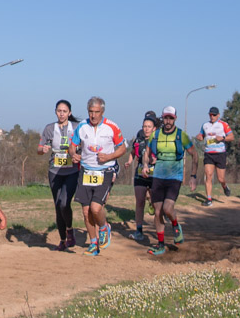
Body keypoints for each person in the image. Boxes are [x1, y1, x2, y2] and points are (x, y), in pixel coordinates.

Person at [68, 96, 125, 257]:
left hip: (105, 171)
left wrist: (109, 157)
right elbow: (72, 146)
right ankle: (93, 243)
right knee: (86, 211)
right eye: (90, 112)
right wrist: (73, 154)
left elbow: (122, 148)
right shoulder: (82, 126)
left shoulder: (111, 127)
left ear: (102, 112)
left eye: (97, 112)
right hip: (86, 171)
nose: (93, 115)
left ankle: (104, 227)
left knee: (95, 208)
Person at [148, 106, 193, 256]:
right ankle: (160, 244)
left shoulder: (181, 135)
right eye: (166, 118)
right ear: (162, 118)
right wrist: (146, 164)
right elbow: (147, 152)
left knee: (167, 209)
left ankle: (175, 225)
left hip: (174, 177)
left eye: (171, 118)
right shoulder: (155, 135)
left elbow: (195, 154)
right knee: (157, 212)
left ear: (175, 119)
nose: (168, 121)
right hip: (158, 176)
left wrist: (193, 176)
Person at [37, 100, 80, 250]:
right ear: (55, 112)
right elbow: (39, 148)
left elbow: (84, 145)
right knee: (57, 205)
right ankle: (62, 240)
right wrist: (43, 150)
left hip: (72, 171)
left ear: (69, 113)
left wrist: (79, 154)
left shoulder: (76, 128)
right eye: (59, 111)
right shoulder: (49, 128)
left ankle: (70, 230)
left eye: (64, 111)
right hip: (54, 171)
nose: (61, 114)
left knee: (64, 203)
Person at [125, 111, 158, 242]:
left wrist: (157, 160)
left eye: (149, 127)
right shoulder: (139, 139)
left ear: (154, 128)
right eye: (144, 126)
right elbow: (133, 152)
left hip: (155, 176)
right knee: (139, 202)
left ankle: (159, 233)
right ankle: (139, 231)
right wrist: (129, 161)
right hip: (140, 174)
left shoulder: (158, 140)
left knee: (156, 204)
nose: (146, 129)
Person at [196, 106, 233, 206]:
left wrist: (223, 138)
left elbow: (231, 137)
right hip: (209, 153)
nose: (212, 117)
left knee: (221, 178)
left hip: (220, 154)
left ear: (218, 115)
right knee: (208, 175)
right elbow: (201, 135)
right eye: (210, 115)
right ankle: (209, 199)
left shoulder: (223, 124)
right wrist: (199, 137)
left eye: (214, 115)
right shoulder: (205, 125)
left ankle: (224, 186)